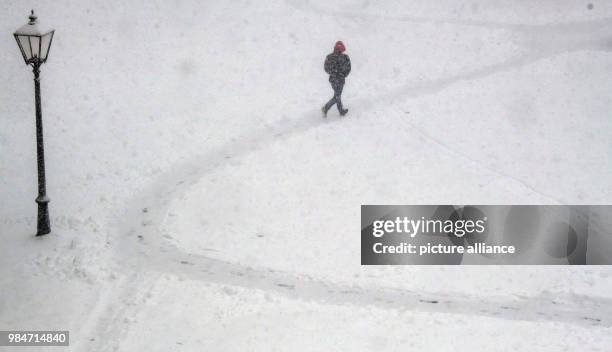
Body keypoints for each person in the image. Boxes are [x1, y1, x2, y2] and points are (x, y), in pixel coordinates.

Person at [322, 41, 351, 116]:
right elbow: (348, 68)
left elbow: (326, 68)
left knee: (337, 95)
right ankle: (326, 107)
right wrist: (342, 74)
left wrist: (333, 72)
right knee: (337, 96)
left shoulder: (330, 57)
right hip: (339, 80)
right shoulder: (345, 57)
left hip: (333, 80)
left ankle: (341, 111)